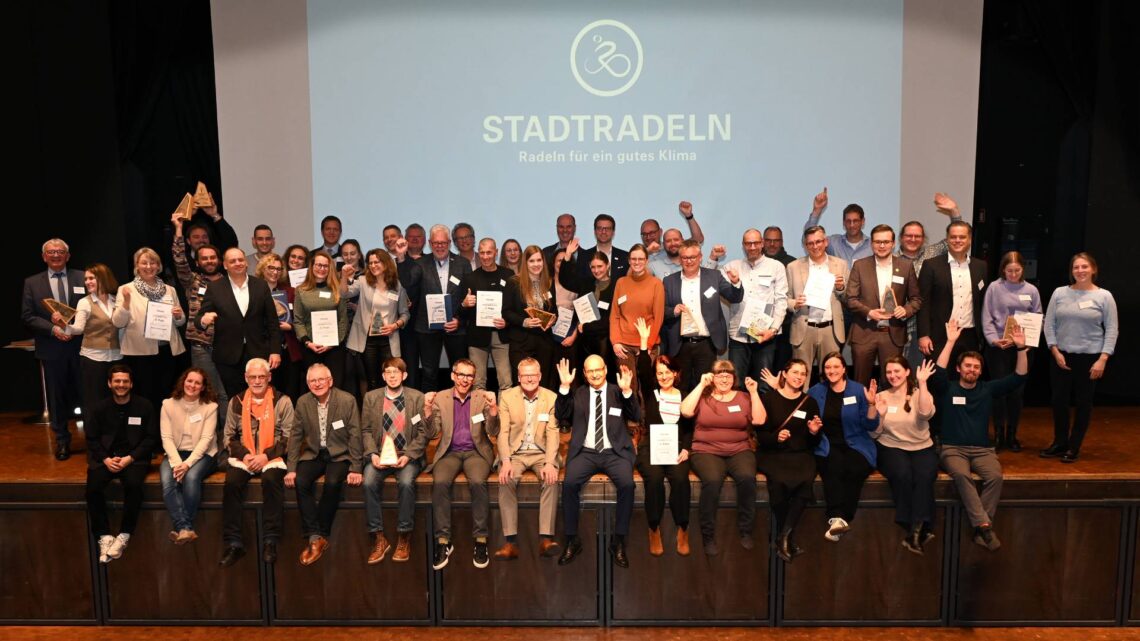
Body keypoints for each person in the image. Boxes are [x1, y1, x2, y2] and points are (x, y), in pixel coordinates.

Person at [932, 319, 1028, 550]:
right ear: (959, 368)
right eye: (967, 366)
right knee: (962, 476)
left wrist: (1022, 349)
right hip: (952, 449)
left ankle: (981, 528)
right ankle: (984, 527)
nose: (971, 370)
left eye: (976, 367)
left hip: (982, 450)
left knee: (995, 477)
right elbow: (938, 374)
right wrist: (951, 341)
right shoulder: (948, 388)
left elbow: (1019, 378)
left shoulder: (987, 389)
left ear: (980, 371)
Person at [555, 355, 639, 568]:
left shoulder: (617, 391)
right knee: (569, 484)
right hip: (586, 452)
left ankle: (619, 540)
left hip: (614, 452)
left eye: (598, 369)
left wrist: (628, 392)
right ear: (584, 374)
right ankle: (572, 539)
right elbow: (561, 414)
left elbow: (635, 415)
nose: (594, 374)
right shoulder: (579, 393)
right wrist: (564, 387)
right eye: (590, 371)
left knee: (628, 485)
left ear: (605, 370)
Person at [681, 360, 765, 556]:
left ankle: (745, 530)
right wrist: (701, 385)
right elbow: (685, 411)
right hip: (705, 450)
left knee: (747, 478)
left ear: (734, 378)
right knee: (712, 480)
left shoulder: (744, 397)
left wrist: (754, 392)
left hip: (739, 449)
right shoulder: (703, 396)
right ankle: (708, 535)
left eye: (728, 375)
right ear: (712, 377)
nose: (724, 378)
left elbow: (760, 420)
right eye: (720, 374)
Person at [423, 358, 499, 570]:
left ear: (474, 378)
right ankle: (443, 542)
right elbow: (432, 433)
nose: (465, 380)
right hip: (450, 452)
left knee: (477, 482)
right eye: (461, 375)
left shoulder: (481, 398)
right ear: (453, 375)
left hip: (476, 453)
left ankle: (481, 540)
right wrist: (427, 410)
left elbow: (493, 431)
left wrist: (493, 410)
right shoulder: (440, 398)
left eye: (469, 376)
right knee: (440, 483)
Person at [1042, 252, 1118, 463]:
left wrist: (1103, 358)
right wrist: (1055, 351)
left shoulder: (1104, 296)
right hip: (1061, 356)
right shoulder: (1059, 293)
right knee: (1059, 401)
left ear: (1093, 269)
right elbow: (1049, 324)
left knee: (1083, 403)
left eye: (1084, 267)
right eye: (1076, 267)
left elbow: (1112, 329)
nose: (1080, 271)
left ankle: (1074, 446)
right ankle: (1060, 442)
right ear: (1071, 271)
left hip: (1090, 358)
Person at [285, 363, 363, 565]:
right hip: (314, 454)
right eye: (312, 380)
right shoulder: (303, 402)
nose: (317, 384)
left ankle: (318, 535)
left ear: (330, 381)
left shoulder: (347, 400)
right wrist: (291, 469)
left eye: (321, 379)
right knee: (301, 481)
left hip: (340, 454)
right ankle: (316, 537)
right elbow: (295, 437)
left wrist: (356, 467)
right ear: (308, 383)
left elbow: (355, 435)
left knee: (332, 482)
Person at [219, 358, 294, 567]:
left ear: (269, 377)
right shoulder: (237, 401)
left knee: (271, 481)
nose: (258, 381)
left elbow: (290, 438)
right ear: (246, 378)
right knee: (232, 484)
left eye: (262, 376)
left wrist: (265, 456)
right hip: (246, 456)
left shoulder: (282, 400)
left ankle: (270, 539)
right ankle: (234, 543)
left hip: (272, 457)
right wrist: (245, 455)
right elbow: (228, 437)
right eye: (253, 377)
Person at [86, 364, 158, 563]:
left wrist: (130, 458)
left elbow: (151, 438)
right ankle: (104, 536)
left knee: (134, 486)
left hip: (133, 459)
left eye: (125, 381)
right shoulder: (99, 408)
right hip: (106, 458)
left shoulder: (144, 406)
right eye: (117, 381)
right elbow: (91, 439)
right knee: (92, 489)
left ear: (131, 383)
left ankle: (125, 534)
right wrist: (106, 459)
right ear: (109, 383)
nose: (121, 384)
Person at [632, 318, 692, 556]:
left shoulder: (685, 395)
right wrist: (645, 342)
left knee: (680, 479)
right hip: (651, 448)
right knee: (654, 479)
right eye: (659, 373)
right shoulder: (651, 393)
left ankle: (682, 528)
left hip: (676, 447)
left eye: (667, 372)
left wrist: (686, 449)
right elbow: (643, 369)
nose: (663, 376)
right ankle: (654, 528)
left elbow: (689, 427)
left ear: (675, 373)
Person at [806, 352, 879, 542]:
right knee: (833, 467)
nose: (832, 371)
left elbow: (870, 425)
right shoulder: (815, 391)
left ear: (844, 369)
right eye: (828, 367)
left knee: (856, 468)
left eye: (836, 367)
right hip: (827, 444)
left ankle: (840, 519)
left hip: (857, 444)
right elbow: (807, 420)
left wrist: (872, 404)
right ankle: (838, 517)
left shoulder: (858, 390)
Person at [23, 238, 86, 459]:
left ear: (68, 256)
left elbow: (94, 308)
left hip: (82, 348)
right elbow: (28, 316)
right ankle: (62, 441)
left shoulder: (83, 277)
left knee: (88, 395)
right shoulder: (32, 283)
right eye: (51, 252)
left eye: (61, 251)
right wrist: (53, 329)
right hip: (52, 348)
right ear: (44, 257)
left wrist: (75, 327)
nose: (56, 255)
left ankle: (94, 441)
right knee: (57, 398)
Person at [361, 357, 427, 564]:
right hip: (380, 455)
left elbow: (423, 433)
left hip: (407, 455)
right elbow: (365, 431)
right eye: (388, 372)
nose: (392, 375)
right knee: (368, 481)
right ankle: (378, 537)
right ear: (383, 376)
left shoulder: (417, 397)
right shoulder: (371, 398)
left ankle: (404, 536)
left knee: (407, 483)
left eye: (396, 372)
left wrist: (408, 456)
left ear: (404, 375)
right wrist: (372, 453)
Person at [755, 359, 823, 562]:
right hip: (773, 453)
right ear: (784, 374)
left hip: (801, 454)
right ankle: (787, 538)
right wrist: (776, 437)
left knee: (806, 480)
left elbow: (815, 440)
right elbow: (760, 435)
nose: (799, 377)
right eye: (795, 372)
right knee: (778, 482)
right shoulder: (768, 399)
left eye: (803, 373)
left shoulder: (809, 402)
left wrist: (813, 432)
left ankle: (783, 536)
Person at [494, 357, 561, 560]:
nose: (529, 378)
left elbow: (553, 432)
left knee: (551, 479)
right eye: (525, 375)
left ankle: (545, 539)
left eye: (533, 374)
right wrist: (505, 460)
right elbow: (503, 432)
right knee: (506, 479)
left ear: (540, 376)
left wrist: (550, 463)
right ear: (519, 377)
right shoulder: (507, 396)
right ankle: (510, 543)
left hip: (541, 452)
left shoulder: (551, 397)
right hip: (516, 453)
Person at [872, 356, 938, 554]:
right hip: (890, 446)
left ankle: (916, 529)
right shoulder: (881, 396)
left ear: (907, 372)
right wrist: (881, 415)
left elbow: (926, 414)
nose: (892, 376)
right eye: (889, 372)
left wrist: (923, 383)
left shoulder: (920, 394)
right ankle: (916, 527)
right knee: (902, 474)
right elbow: (874, 433)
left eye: (897, 371)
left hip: (922, 446)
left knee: (924, 476)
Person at [197, 248, 282, 396]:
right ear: (224, 265)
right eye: (232, 261)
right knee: (235, 399)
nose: (237, 263)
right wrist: (204, 320)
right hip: (227, 356)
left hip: (258, 352)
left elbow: (272, 322)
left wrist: (275, 351)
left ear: (246, 262)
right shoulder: (214, 288)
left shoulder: (260, 285)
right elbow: (199, 320)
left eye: (240, 260)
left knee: (261, 397)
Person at [661, 240, 743, 392]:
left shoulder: (714, 276)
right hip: (680, 345)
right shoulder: (669, 281)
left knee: (705, 388)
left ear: (700, 257)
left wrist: (736, 282)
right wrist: (673, 311)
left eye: (693, 257)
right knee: (680, 387)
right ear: (680, 259)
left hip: (706, 344)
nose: (689, 261)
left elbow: (734, 297)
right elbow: (662, 311)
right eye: (685, 257)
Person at [172, 215, 230, 426]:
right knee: (205, 393)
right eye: (204, 258)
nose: (209, 261)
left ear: (219, 261)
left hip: (225, 346)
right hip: (201, 347)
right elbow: (179, 259)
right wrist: (179, 229)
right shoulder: (192, 281)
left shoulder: (230, 283)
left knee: (225, 393)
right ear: (197, 262)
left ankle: (226, 437)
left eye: (213, 258)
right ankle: (207, 436)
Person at [112, 247, 187, 410]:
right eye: (144, 263)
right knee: (144, 397)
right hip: (140, 353)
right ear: (137, 266)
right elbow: (118, 323)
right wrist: (125, 303)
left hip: (167, 351)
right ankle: (147, 432)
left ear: (158, 265)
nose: (149, 266)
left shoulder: (170, 290)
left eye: (153, 262)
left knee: (167, 395)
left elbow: (180, 322)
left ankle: (164, 432)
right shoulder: (126, 289)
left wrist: (179, 315)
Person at [981, 251, 1042, 451]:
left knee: (1017, 392)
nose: (1013, 274)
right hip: (998, 347)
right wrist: (993, 340)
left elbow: (1037, 317)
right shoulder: (994, 287)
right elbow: (987, 316)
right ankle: (998, 434)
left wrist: (1026, 342)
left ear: (1023, 269)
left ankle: (1012, 435)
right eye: (1009, 270)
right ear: (1003, 270)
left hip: (1022, 349)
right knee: (999, 392)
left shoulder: (1031, 290)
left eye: (1017, 270)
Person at [846, 225, 921, 386]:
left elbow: (916, 299)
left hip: (892, 334)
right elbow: (850, 299)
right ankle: (863, 412)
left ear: (893, 243)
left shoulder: (906, 266)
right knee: (860, 383)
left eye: (886, 242)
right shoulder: (860, 266)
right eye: (878, 242)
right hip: (864, 332)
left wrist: (906, 310)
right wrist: (869, 312)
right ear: (871, 244)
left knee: (891, 383)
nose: (882, 246)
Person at [61, 263, 122, 441]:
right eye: (86, 278)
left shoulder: (115, 299)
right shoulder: (84, 302)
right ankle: (95, 444)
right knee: (94, 404)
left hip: (117, 357)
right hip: (92, 358)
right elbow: (78, 329)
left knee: (116, 402)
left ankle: (116, 440)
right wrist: (63, 326)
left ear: (103, 278)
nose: (87, 282)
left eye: (91, 278)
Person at [159, 367, 218, 544]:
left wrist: (187, 464)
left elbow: (206, 439)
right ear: (183, 381)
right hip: (175, 454)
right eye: (189, 381)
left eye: (197, 383)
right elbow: (166, 437)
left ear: (203, 387)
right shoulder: (168, 405)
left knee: (191, 477)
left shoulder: (210, 407)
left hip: (203, 454)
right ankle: (186, 528)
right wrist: (178, 462)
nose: (192, 385)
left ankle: (182, 527)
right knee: (168, 482)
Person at [917, 221, 988, 367]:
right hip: (939, 335)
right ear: (947, 239)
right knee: (937, 381)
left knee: (967, 380)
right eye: (953, 237)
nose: (957, 241)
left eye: (962, 237)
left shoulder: (980, 266)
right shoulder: (931, 265)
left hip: (970, 334)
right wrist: (923, 334)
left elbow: (981, 302)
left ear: (969, 240)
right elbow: (923, 303)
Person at [722, 230, 785, 391]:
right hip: (738, 336)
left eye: (756, 243)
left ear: (762, 243)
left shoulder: (776, 267)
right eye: (748, 243)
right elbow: (721, 290)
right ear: (743, 245)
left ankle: (762, 416)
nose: (752, 247)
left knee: (764, 385)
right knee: (735, 384)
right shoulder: (731, 267)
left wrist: (774, 329)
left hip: (765, 336)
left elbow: (781, 300)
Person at [414, 224, 472, 391]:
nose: (440, 246)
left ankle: (458, 411)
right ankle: (429, 412)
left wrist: (459, 320)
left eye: (443, 243)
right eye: (436, 243)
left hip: (456, 327)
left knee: (461, 372)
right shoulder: (420, 264)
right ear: (430, 243)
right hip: (427, 328)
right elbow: (412, 292)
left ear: (449, 243)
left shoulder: (463, 264)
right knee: (429, 373)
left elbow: (467, 297)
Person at [345, 249, 410, 392]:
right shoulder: (362, 281)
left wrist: (395, 325)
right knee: (372, 380)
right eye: (370, 263)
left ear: (386, 263)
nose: (373, 265)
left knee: (391, 378)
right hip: (368, 340)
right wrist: (344, 277)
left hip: (389, 340)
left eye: (377, 262)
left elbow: (405, 314)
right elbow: (344, 293)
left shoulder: (396, 285)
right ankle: (373, 411)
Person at [786, 226, 848, 376]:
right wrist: (795, 304)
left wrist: (840, 288)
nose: (815, 246)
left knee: (831, 377)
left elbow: (848, 297)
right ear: (805, 246)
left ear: (826, 242)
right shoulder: (793, 267)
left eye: (819, 241)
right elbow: (784, 298)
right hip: (804, 328)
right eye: (810, 243)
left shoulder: (841, 264)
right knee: (800, 377)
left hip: (831, 330)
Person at [458, 238, 514, 392]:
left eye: (489, 252)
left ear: (496, 252)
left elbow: (514, 307)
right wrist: (464, 304)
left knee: (506, 381)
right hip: (477, 337)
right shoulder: (470, 278)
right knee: (477, 383)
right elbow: (461, 313)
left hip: (501, 335)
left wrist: (507, 322)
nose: (485, 256)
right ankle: (480, 417)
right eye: (482, 252)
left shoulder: (509, 275)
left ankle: (504, 416)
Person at [610, 243, 664, 397]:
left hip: (646, 345)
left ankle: (646, 420)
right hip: (623, 347)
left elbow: (658, 317)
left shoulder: (656, 284)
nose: (637, 262)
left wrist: (647, 345)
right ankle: (631, 421)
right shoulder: (621, 283)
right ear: (629, 261)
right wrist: (615, 341)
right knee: (628, 386)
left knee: (646, 385)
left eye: (641, 259)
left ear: (647, 261)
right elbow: (615, 314)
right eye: (633, 259)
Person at [558, 247, 616, 383]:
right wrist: (567, 255)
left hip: (605, 341)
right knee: (586, 378)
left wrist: (588, 327)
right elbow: (565, 280)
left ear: (607, 265)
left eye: (600, 266)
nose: (597, 270)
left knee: (604, 378)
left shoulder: (616, 286)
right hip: (585, 342)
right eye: (593, 267)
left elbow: (611, 318)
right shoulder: (586, 283)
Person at [293, 251, 349, 390]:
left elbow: (343, 319)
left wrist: (333, 343)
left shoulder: (337, 290)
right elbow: (298, 321)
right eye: (318, 265)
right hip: (311, 347)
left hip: (334, 348)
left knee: (335, 387)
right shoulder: (301, 291)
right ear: (311, 267)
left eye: (325, 266)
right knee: (314, 387)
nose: (322, 269)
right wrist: (307, 342)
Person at [504, 245, 558, 385]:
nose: (536, 264)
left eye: (539, 260)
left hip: (544, 341)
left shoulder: (549, 282)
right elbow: (506, 312)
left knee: (544, 383)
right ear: (525, 263)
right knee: (522, 384)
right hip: (521, 342)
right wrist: (524, 321)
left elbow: (554, 310)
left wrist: (553, 319)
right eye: (532, 261)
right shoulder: (513, 283)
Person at [255, 254, 304, 402]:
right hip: (263, 350)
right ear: (263, 269)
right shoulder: (253, 292)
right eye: (271, 268)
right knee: (268, 393)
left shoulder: (290, 292)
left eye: (278, 269)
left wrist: (290, 326)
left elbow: (301, 319)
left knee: (290, 393)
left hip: (289, 350)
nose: (275, 272)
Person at [803, 187, 871, 268]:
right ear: (843, 222)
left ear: (863, 221)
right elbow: (808, 238)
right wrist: (817, 210)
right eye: (848, 221)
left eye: (855, 221)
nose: (852, 225)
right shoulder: (833, 243)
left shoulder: (872, 245)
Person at [647, 228, 724, 279]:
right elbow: (637, 275)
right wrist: (647, 251)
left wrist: (713, 257)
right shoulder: (654, 265)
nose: (673, 243)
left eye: (676, 239)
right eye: (668, 241)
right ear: (663, 244)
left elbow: (705, 278)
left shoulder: (691, 261)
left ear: (683, 241)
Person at [579, 214, 629, 282]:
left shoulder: (625, 257)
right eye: (600, 228)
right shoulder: (583, 256)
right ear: (595, 231)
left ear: (613, 232)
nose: (603, 232)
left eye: (607, 228)